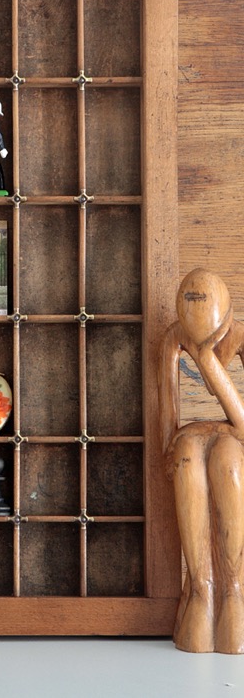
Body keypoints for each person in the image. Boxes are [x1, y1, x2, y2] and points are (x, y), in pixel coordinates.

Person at [159, 268, 244, 653]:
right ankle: (200, 588)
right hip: (192, 437)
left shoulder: (240, 335)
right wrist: (169, 450)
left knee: (226, 459)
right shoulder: (173, 338)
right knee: (188, 457)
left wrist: (208, 358)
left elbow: (241, 426)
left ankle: (233, 592)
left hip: (234, 438)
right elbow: (167, 416)